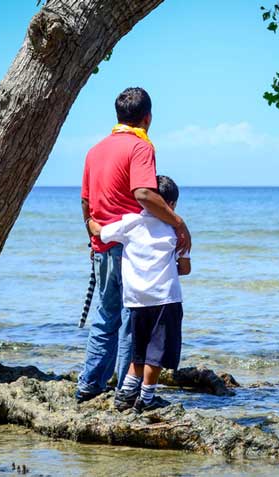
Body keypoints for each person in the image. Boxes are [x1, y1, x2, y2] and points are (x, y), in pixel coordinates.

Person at [77, 88, 191, 403]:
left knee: (105, 315)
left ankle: (89, 384)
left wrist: (92, 235)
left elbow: (86, 202)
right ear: (147, 117)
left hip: (104, 242)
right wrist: (177, 222)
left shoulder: (95, 150)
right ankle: (128, 392)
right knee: (132, 319)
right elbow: (143, 194)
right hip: (129, 245)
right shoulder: (140, 146)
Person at [88, 175, 190, 412]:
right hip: (166, 298)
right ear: (171, 205)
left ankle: (125, 394)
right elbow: (185, 268)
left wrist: (89, 220)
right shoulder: (175, 231)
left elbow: (99, 232)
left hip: (136, 299)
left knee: (139, 350)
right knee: (157, 353)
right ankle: (147, 397)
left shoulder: (130, 223)